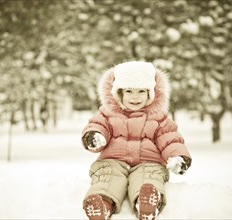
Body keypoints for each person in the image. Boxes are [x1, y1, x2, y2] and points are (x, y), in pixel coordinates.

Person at [81, 61, 192, 220]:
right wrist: (94, 136)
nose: (135, 96)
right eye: (129, 91)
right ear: (119, 93)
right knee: (107, 176)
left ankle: (146, 203)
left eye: (141, 91)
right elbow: (97, 125)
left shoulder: (159, 117)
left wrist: (178, 157)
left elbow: (170, 139)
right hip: (114, 160)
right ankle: (101, 204)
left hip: (148, 161)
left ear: (151, 93)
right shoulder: (107, 113)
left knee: (149, 176)